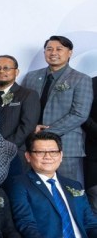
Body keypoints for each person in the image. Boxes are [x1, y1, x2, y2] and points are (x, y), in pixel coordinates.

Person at [22, 35, 92, 184]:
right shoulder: (31, 77)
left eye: (59, 49)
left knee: (70, 190)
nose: (53, 52)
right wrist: (31, 128)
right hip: (32, 145)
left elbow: (79, 114)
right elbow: (23, 106)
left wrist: (45, 132)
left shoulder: (80, 79)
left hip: (67, 146)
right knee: (33, 188)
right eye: (49, 49)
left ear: (70, 53)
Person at [0, 54, 40, 154]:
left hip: (15, 151)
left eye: (6, 68)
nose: (1, 71)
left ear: (16, 72)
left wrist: (4, 147)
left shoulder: (28, 95)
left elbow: (28, 126)